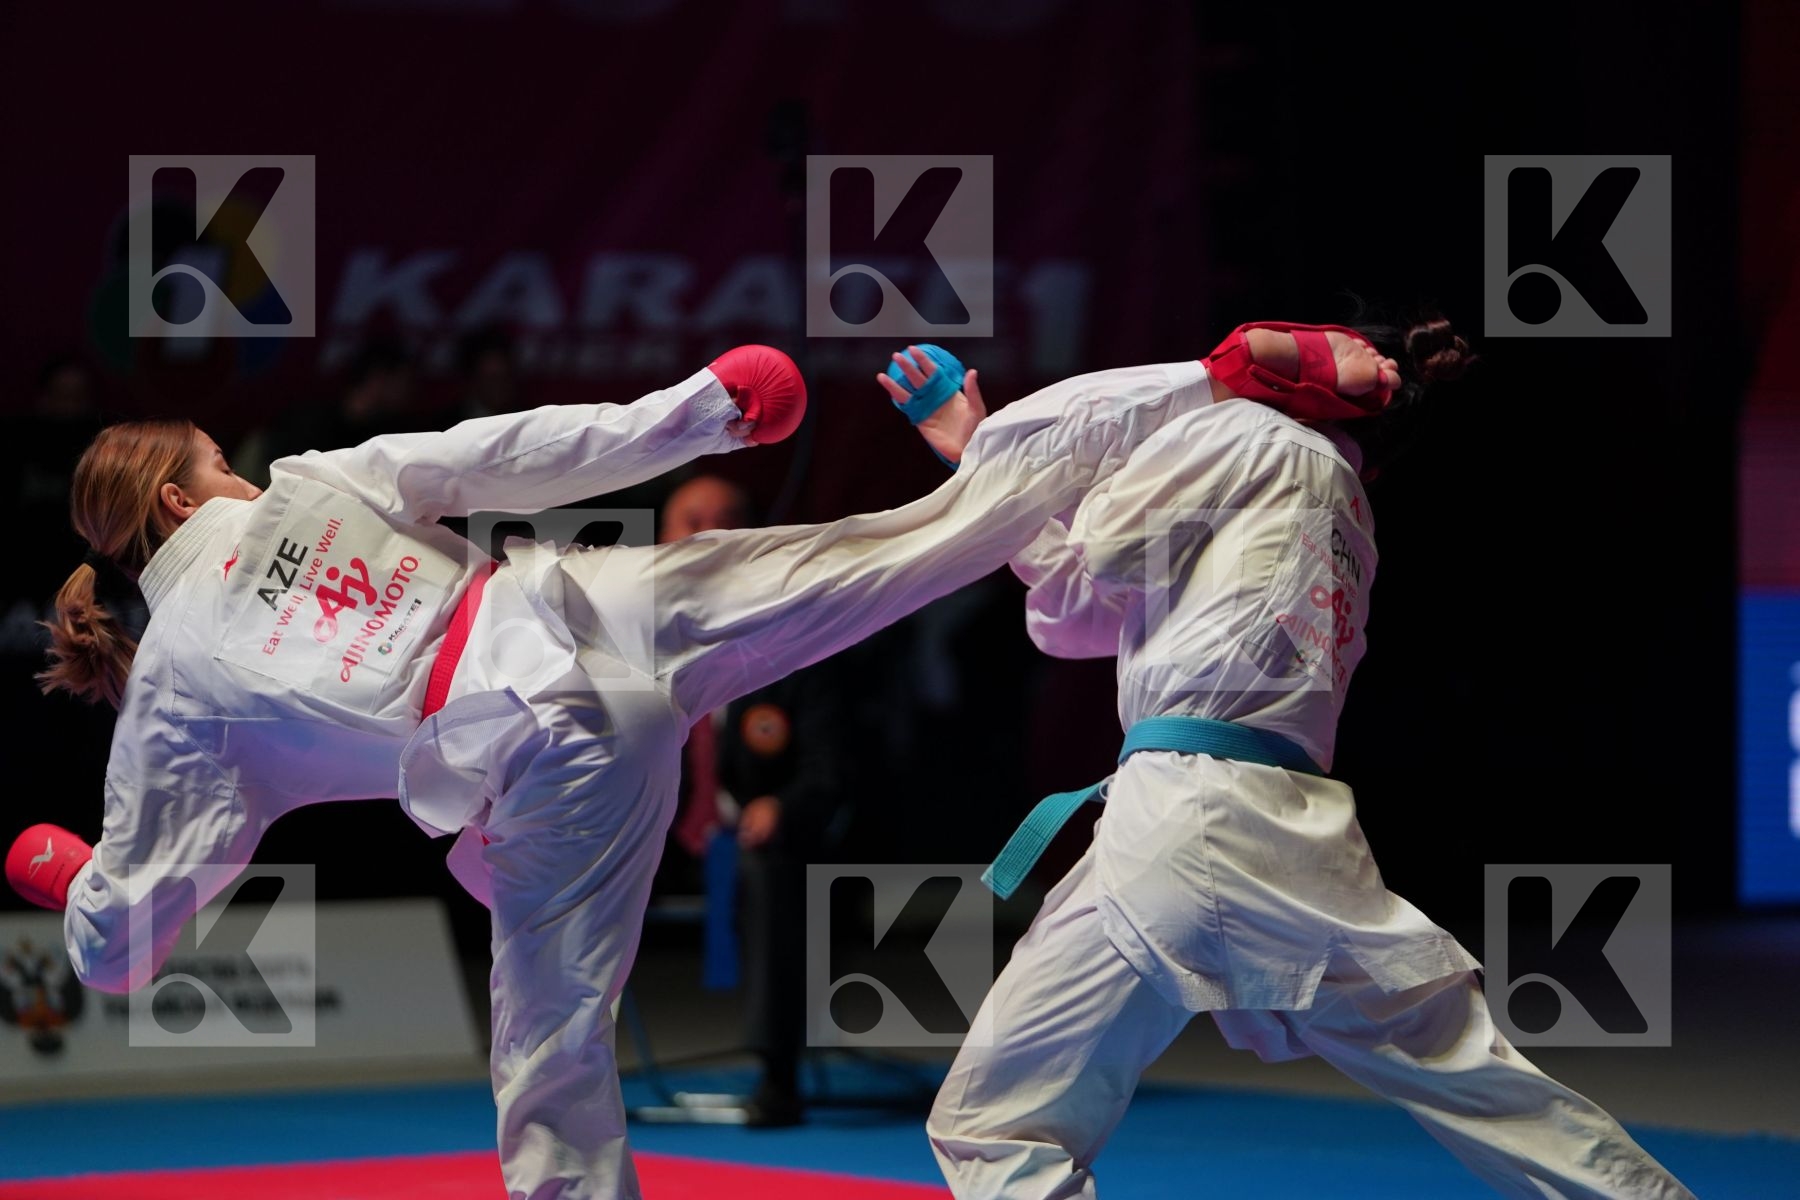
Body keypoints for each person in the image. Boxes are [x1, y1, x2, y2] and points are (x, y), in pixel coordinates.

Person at [7, 332, 1248, 1199]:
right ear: (178, 501)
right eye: (220, 459)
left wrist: (69, 882)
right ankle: (1203, 391)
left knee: (552, 1061)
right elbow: (513, 452)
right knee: (904, 547)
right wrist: (697, 405)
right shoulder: (308, 490)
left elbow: (129, 942)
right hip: (591, 620)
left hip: (552, 773)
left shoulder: (175, 696)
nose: (242, 466)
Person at [905, 320, 1696, 1199]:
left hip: (1183, 818)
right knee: (1486, 1087)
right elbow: (1092, 609)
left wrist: (990, 455)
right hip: (1295, 837)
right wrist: (986, 460)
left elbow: (1095, 563)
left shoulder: (1250, 432)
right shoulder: (1348, 502)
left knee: (997, 1126)